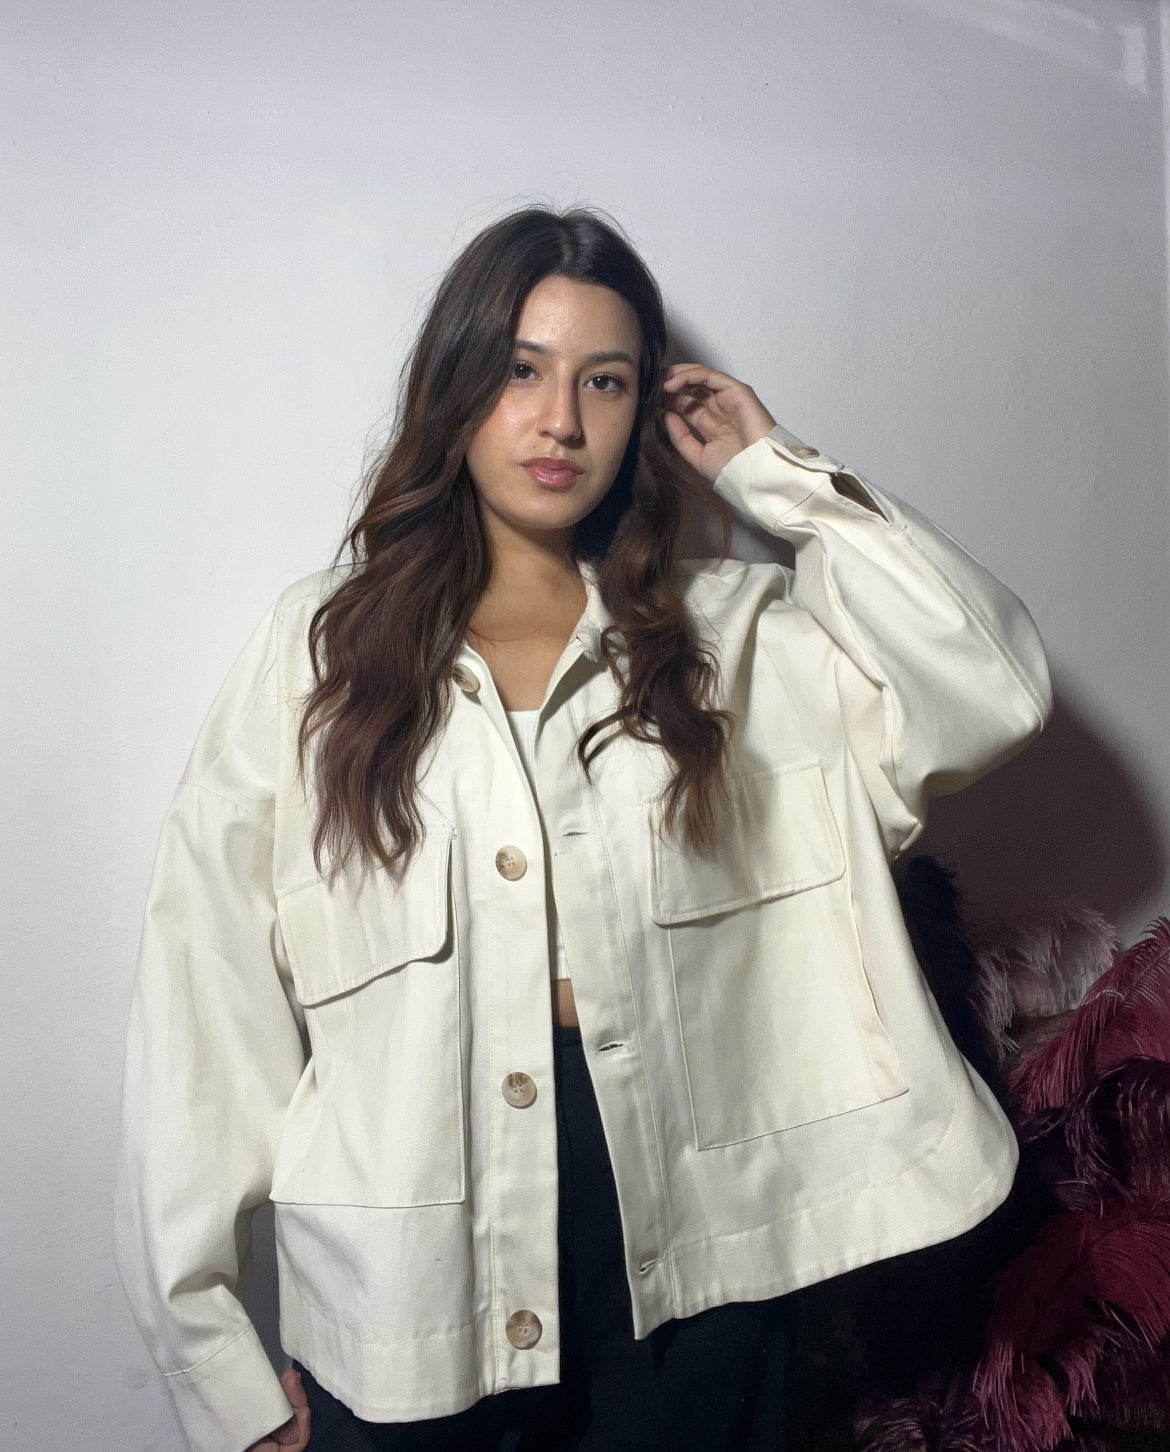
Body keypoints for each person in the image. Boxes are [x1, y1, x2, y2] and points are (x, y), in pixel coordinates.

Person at [114, 204, 1053, 1452]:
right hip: (408, 1285)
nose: (560, 420)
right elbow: (206, 990)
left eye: (604, 380)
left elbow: (990, 688)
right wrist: (212, 1360)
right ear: (456, 387)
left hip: (695, 1256)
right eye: (521, 370)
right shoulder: (319, 652)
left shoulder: (733, 640)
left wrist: (772, 472)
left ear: (643, 408)